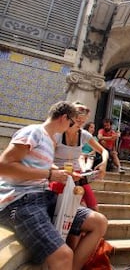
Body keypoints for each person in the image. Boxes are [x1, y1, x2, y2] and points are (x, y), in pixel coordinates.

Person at [0, 101, 108, 270]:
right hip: (20, 201)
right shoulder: (33, 132)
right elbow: (4, 166)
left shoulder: (49, 140)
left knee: (99, 222)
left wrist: (61, 173)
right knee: (63, 255)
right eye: (72, 122)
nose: (72, 127)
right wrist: (50, 174)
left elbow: (39, 165)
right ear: (64, 118)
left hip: (43, 196)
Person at [54, 103, 109, 212]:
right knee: (76, 207)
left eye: (83, 122)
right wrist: (58, 171)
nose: (80, 125)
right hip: (59, 174)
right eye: (78, 121)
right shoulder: (57, 135)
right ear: (70, 118)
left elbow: (103, 151)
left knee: (94, 208)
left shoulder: (84, 135)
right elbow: (46, 159)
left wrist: (104, 163)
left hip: (78, 175)